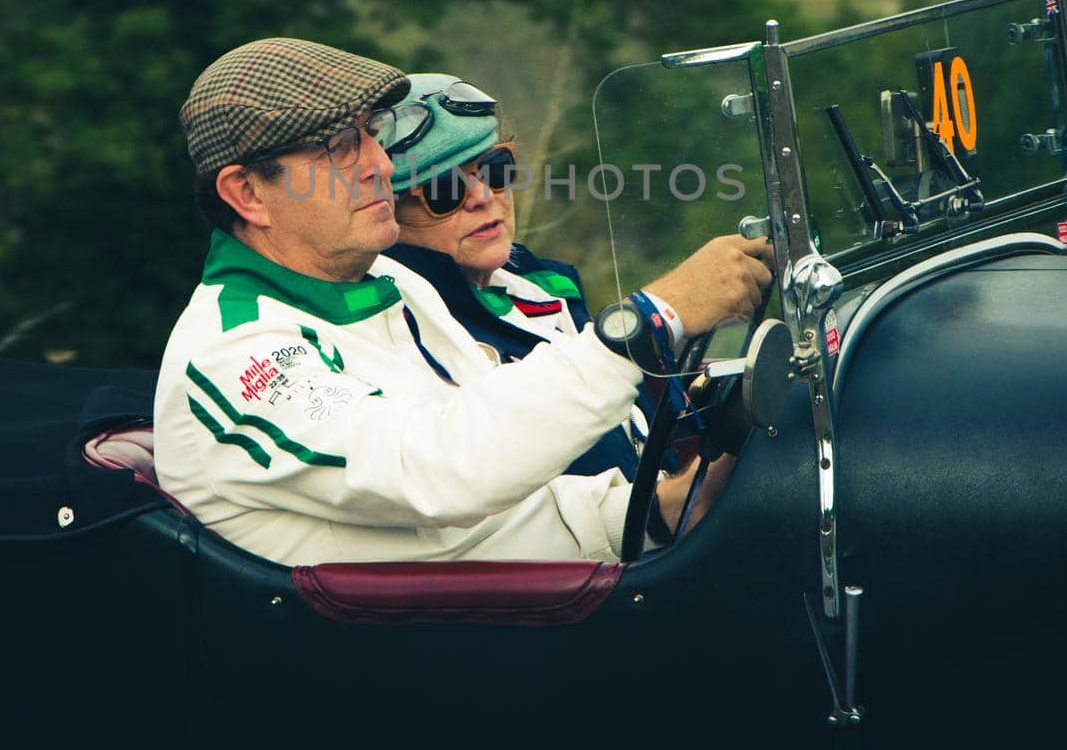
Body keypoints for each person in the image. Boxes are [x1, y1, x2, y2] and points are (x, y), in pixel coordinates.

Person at [153, 37, 772, 566]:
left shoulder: (395, 285)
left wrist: (661, 511)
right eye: (338, 147)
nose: (381, 167)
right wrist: (647, 321)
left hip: (519, 625)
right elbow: (442, 472)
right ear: (248, 195)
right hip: (428, 670)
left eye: (370, 135)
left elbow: (501, 508)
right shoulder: (234, 355)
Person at [380, 72, 678, 480]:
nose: (484, 197)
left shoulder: (547, 286)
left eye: (496, 169)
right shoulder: (403, 328)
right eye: (444, 189)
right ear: (386, 213)